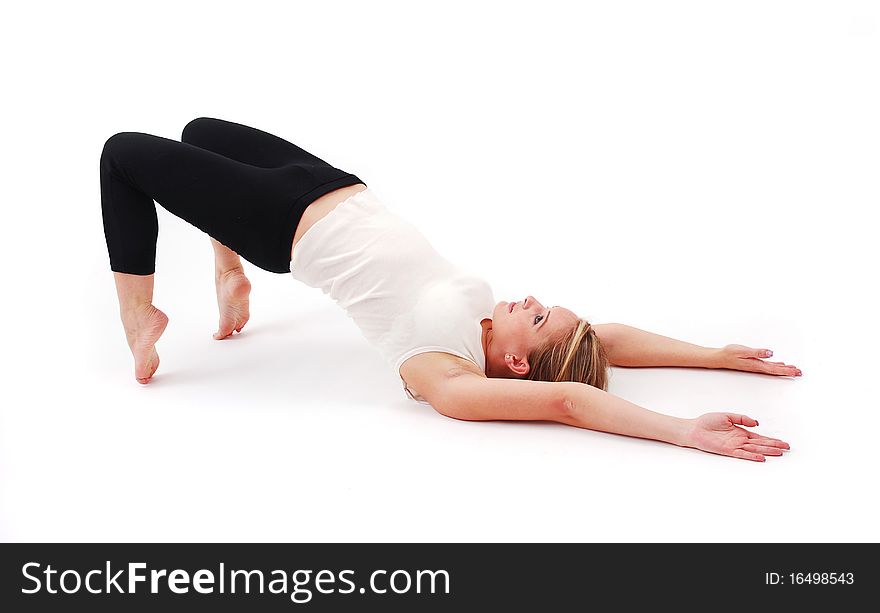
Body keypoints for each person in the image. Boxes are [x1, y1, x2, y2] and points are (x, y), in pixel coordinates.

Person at [99, 117, 800, 462]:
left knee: (122, 155)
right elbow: (604, 341)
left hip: (280, 223)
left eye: (540, 315)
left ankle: (139, 319)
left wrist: (683, 430)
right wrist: (716, 354)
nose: (530, 299)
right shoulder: (491, 329)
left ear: (519, 364)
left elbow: (567, 397)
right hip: (334, 185)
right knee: (200, 131)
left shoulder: (445, 373)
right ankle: (228, 274)